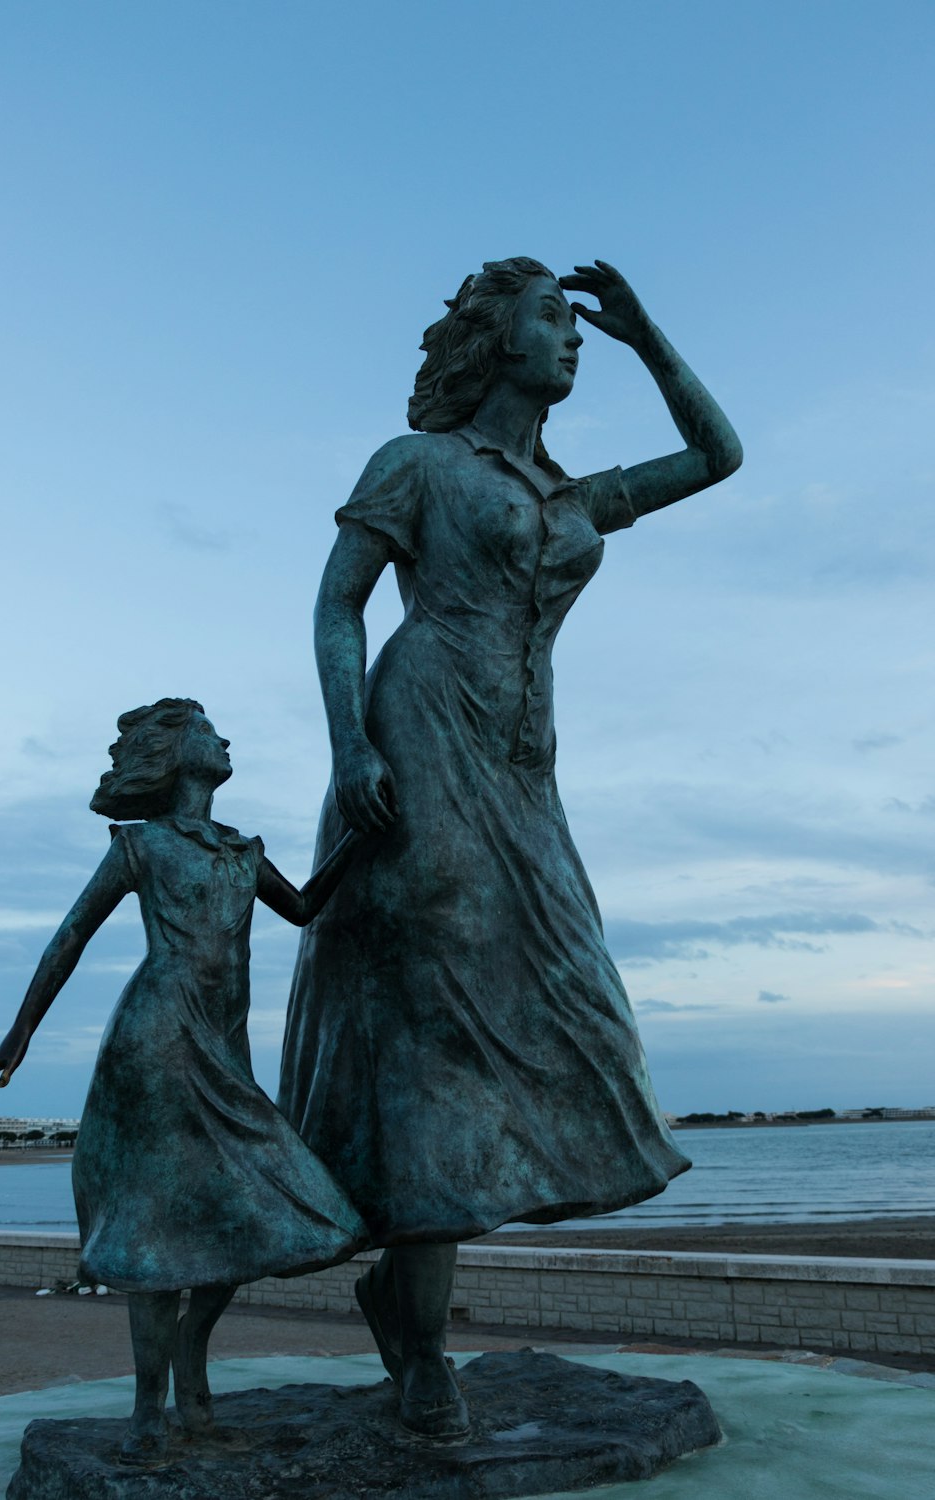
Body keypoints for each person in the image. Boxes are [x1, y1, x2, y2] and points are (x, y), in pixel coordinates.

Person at [278, 258, 743, 1437]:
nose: (569, 337)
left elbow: (717, 458)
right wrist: (349, 750)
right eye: (554, 319)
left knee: (579, 1006)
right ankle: (426, 1350)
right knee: (431, 1026)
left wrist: (647, 337)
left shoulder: (571, 494)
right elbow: (338, 604)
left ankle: (402, 1286)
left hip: (525, 772)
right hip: (418, 736)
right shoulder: (418, 465)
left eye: (576, 324)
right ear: (495, 342)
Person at [0, 698, 369, 1465]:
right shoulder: (142, 847)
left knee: (251, 1214)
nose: (224, 738)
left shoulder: (241, 851)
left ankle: (192, 1365)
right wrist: (19, 1036)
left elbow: (306, 906)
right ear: (177, 754)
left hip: (224, 1052)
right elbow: (70, 938)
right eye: (207, 730)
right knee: (158, 1232)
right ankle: (151, 1413)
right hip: (154, 1041)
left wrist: (363, 829)